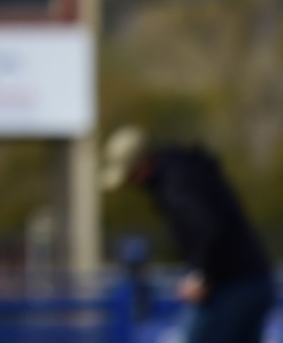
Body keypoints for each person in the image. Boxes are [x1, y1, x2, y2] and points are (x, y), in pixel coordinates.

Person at [101, 125, 276, 343]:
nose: (133, 183)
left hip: (229, 286)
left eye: (131, 175)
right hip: (255, 279)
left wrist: (198, 275)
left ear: (142, 164)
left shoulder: (175, 185)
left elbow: (205, 227)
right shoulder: (184, 170)